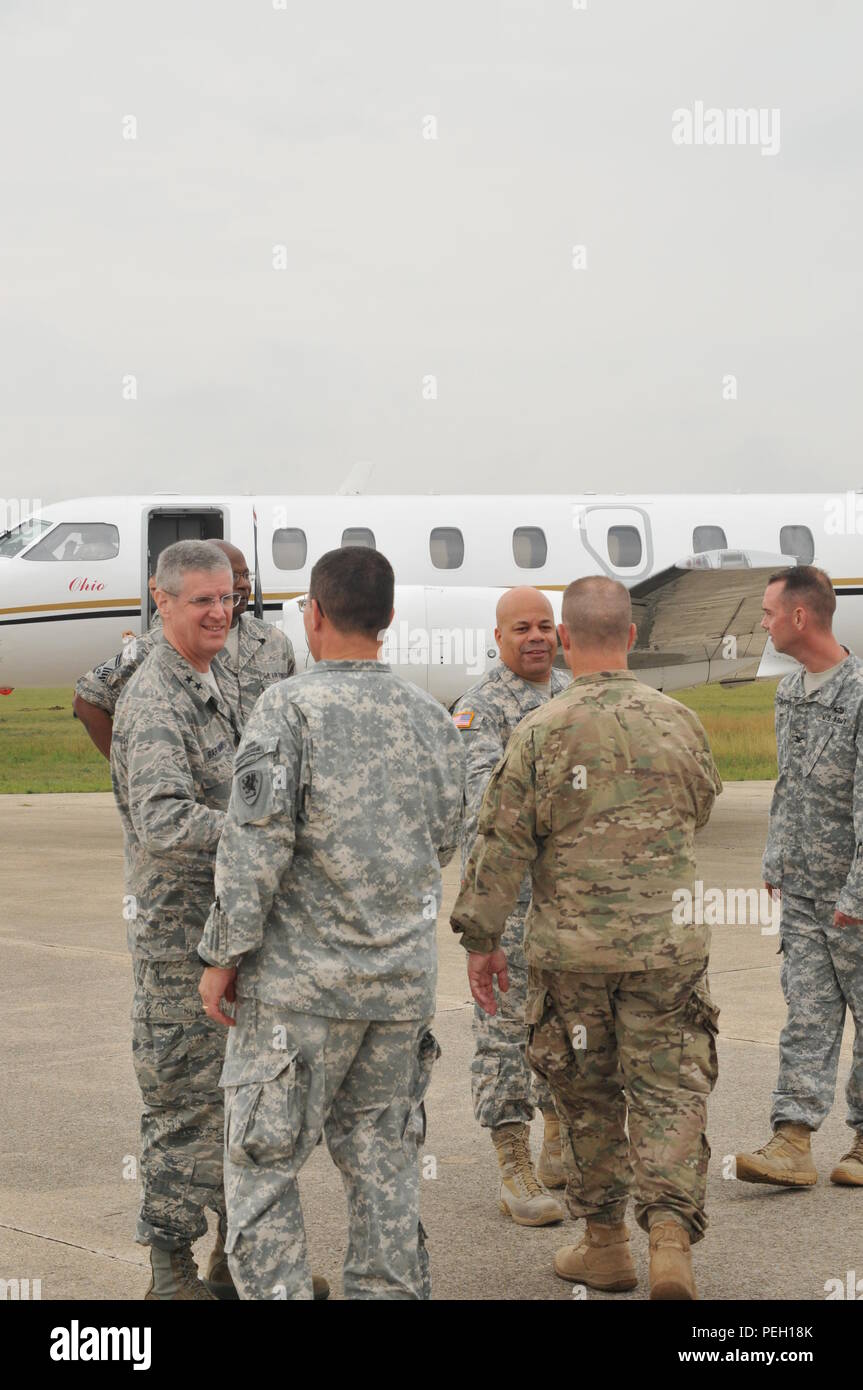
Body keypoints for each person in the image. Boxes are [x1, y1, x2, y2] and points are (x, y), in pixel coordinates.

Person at [197, 546, 466, 1299]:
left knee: (262, 1164)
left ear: (313, 614)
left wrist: (223, 954)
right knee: (384, 1166)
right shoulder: (429, 717)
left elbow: (256, 842)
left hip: (299, 994)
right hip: (397, 991)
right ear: (386, 621)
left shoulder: (286, 708)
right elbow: (446, 836)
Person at [451, 575, 723, 1300]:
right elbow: (697, 806)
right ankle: (668, 1241)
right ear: (632, 636)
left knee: (587, 1097)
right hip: (665, 948)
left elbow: (498, 842)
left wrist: (479, 938)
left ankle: (604, 1247)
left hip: (571, 955)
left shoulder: (537, 729)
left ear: (566, 639)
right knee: (668, 1091)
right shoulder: (678, 719)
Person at [111, 540, 240, 1300]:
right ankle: (170, 1275)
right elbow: (163, 822)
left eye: (227, 597)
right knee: (180, 1110)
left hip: (221, 937)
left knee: (232, 1103)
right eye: (201, 600)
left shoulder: (208, 678)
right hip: (177, 947)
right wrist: (259, 832)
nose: (220, 611)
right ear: (161, 602)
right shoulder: (156, 695)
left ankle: (233, 1261)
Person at [735, 565, 863, 1190]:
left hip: (854, 892)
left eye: (767, 612)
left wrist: (859, 893)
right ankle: (793, 1139)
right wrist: (776, 861)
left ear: (800, 617)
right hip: (805, 891)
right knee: (807, 1012)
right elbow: (788, 788)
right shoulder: (789, 693)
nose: (762, 622)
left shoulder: (862, 692)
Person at [451, 586, 569, 1226]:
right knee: (504, 1034)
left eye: (545, 626)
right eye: (521, 627)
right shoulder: (482, 708)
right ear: (498, 638)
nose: (535, 637)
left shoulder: (577, 694)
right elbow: (486, 811)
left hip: (574, 906)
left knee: (568, 1027)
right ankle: (511, 1162)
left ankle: (559, 1143)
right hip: (512, 907)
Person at [74, 540, 293, 756]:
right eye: (234, 576)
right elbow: (86, 700)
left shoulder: (274, 642)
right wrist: (127, 766)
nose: (245, 584)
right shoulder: (158, 644)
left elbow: (288, 718)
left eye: (247, 575)